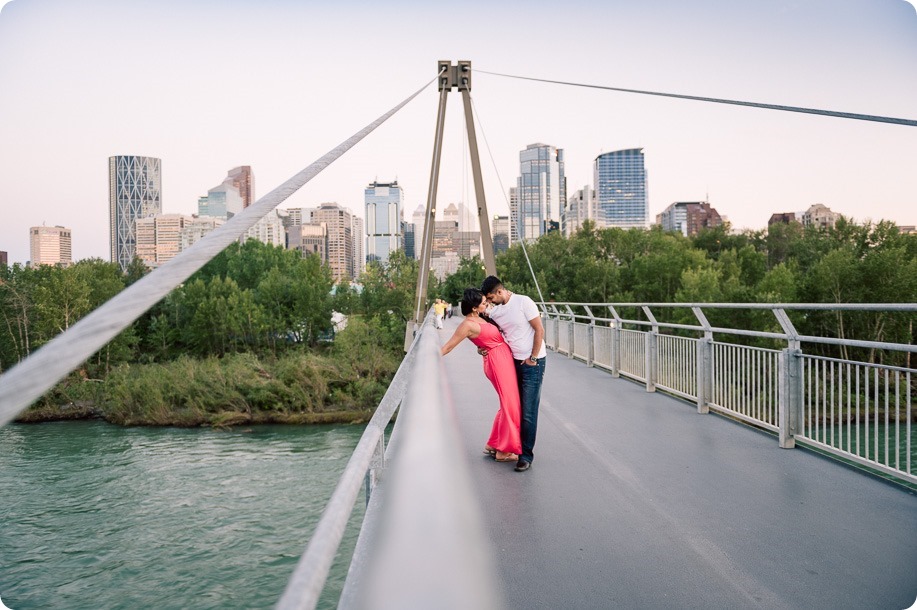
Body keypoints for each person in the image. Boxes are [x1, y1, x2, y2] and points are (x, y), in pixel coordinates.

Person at [440, 288, 522, 463]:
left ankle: (494, 444)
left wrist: (481, 347)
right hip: (497, 363)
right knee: (510, 404)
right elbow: (447, 347)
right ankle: (504, 451)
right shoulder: (467, 325)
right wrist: (427, 356)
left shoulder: (482, 318)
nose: (488, 304)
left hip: (503, 359)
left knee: (508, 403)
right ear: (475, 308)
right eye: (484, 303)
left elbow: (486, 337)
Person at [480, 276, 546, 473]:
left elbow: (539, 330)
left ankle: (525, 456)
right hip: (512, 363)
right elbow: (489, 334)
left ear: (500, 292)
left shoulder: (524, 302)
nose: (490, 302)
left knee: (528, 412)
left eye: (491, 298)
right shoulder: (496, 312)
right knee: (513, 407)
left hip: (532, 363)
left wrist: (533, 358)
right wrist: (482, 349)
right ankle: (508, 447)